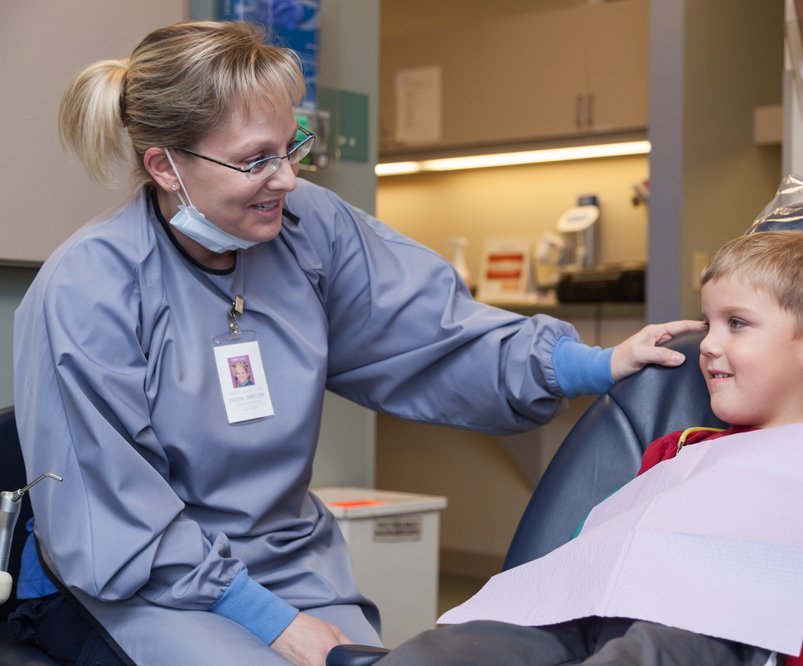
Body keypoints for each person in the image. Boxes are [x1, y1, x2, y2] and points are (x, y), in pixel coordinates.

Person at [9, 20, 702, 666]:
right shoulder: (89, 289)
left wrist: (594, 363)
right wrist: (274, 623)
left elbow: (434, 331)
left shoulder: (309, 229)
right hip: (139, 579)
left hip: (287, 560)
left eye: (292, 146)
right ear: (166, 167)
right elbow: (114, 517)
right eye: (256, 160)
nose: (287, 178)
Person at [378, 230, 803, 666]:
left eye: (737, 324)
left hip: (736, 631)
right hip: (610, 615)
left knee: (664, 646)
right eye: (707, 323)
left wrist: (752, 537)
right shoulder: (676, 452)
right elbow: (602, 553)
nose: (709, 343)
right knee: (474, 641)